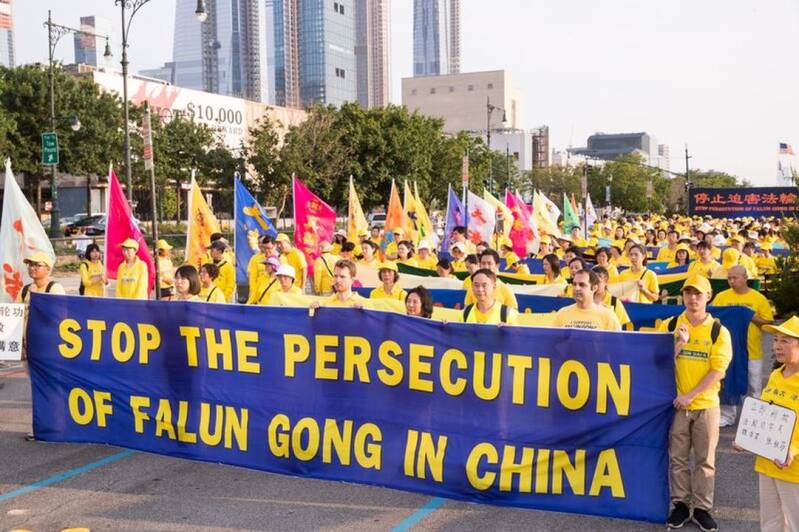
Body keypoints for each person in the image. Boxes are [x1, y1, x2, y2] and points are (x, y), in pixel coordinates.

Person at [660, 275, 732, 531]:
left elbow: (718, 371)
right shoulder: (671, 324)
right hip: (676, 406)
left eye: (698, 293)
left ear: (708, 296)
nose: (692, 298)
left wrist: (690, 396)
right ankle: (680, 505)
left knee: (705, 460)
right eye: (688, 293)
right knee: (678, 459)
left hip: (706, 405)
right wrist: (679, 344)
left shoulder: (718, 331)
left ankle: (702, 508)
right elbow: (657, 361)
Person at [748, 316, 799, 532]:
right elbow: (765, 416)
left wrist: (793, 449)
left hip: (793, 468)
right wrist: (747, 438)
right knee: (770, 523)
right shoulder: (776, 375)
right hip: (767, 463)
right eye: (776, 340)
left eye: (784, 341)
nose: (776, 346)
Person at [713, 265, 774, 426]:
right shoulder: (721, 297)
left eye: (735, 278)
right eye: (729, 278)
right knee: (729, 384)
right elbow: (712, 318)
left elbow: (768, 323)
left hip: (752, 350)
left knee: (754, 385)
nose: (731, 281)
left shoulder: (758, 298)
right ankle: (728, 416)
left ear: (745, 278)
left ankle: (755, 417)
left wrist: (750, 316)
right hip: (729, 350)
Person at [553, 269, 622, 331]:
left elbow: (617, 340)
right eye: (574, 284)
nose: (577, 288)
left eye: (582, 285)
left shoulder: (608, 316)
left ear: (594, 288)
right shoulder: (562, 313)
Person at [247, 235, 277, 299]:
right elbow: (252, 278)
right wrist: (253, 294)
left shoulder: (282, 259)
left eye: (269, 248)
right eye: (259, 243)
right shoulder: (255, 259)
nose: (267, 250)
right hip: (259, 294)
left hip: (274, 296)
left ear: (275, 246)